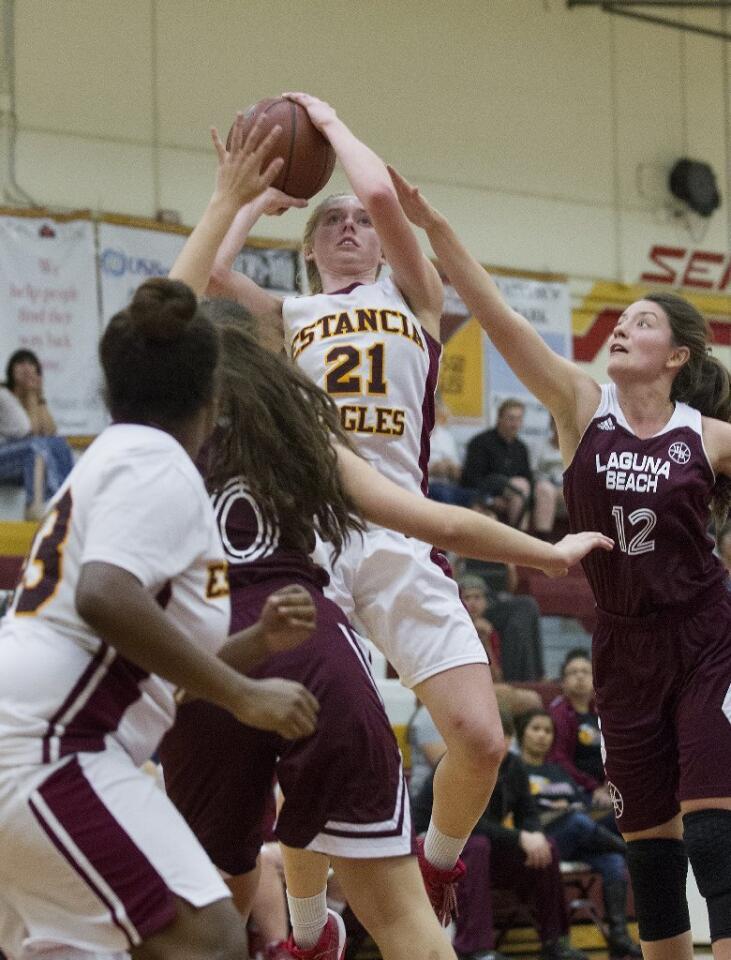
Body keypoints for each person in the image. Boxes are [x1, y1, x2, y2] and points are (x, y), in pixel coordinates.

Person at [160, 112, 613, 960]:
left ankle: (436, 865)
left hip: (400, 526)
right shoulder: (285, 313)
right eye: (328, 220)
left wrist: (322, 119)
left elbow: (374, 188)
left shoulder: (415, 297)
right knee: (308, 743)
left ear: (381, 245)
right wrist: (257, 195)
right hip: (314, 532)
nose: (349, 225)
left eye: (361, 223)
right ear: (309, 249)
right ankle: (306, 934)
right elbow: (208, 274)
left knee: (479, 739)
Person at [390, 165, 731, 960]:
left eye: (641, 322)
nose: (621, 326)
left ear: (676, 355)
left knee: (713, 831)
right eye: (619, 319)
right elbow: (496, 314)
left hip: (705, 636)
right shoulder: (580, 405)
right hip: (621, 646)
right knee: (648, 844)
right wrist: (437, 230)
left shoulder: (707, 438)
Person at [0, 271, 326, 960]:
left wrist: (258, 643)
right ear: (214, 400)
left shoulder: (116, 460)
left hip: (38, 739)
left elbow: (149, 664)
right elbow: (104, 594)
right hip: (51, 747)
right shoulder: (156, 463)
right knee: (204, 936)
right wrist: (244, 695)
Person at [412, 708, 589, 960]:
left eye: (504, 736)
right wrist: (519, 838)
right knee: (477, 845)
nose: (499, 742)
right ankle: (475, 948)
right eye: (493, 735)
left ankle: (554, 942)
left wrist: (535, 834)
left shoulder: (513, 765)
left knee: (545, 846)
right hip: (430, 846)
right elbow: (469, 823)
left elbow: (527, 811)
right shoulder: (460, 764)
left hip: (477, 850)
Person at [517, 709, 641, 958]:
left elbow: (582, 804)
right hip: (541, 841)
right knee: (576, 822)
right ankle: (635, 852)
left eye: (548, 731)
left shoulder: (559, 771)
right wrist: (557, 811)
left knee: (612, 859)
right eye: (536, 729)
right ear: (521, 734)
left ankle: (619, 937)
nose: (542, 736)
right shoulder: (515, 769)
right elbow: (517, 815)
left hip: (577, 836)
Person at [0, 349, 74, 520]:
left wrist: (39, 397)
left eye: (31, 364)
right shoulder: (4, 396)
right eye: (20, 363)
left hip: (17, 462)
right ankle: (36, 507)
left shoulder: (32, 398)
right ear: (11, 369)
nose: (26, 368)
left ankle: (66, 502)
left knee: (59, 443)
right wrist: (32, 395)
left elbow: (49, 431)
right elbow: (28, 430)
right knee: (35, 447)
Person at [549, 649, 612, 809]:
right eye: (573, 672)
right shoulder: (559, 714)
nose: (580, 676)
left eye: (585, 672)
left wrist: (609, 783)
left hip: (607, 787)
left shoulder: (603, 712)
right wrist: (593, 787)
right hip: (577, 787)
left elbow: (615, 753)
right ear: (563, 682)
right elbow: (559, 759)